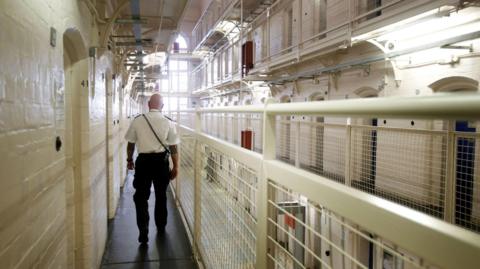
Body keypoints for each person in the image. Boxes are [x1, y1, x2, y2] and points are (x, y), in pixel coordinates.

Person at [124, 94, 180, 244]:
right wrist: (175, 166)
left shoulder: (138, 120)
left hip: (143, 163)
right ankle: (161, 227)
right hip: (161, 163)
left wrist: (129, 160)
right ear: (162, 106)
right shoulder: (168, 122)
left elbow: (131, 143)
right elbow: (173, 147)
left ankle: (143, 230)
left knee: (140, 197)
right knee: (161, 195)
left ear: (149, 104)